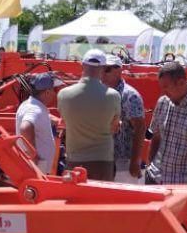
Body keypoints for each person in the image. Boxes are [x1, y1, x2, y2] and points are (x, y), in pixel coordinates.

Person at [57, 51, 123, 181]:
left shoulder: (63, 95)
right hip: (103, 161)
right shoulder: (113, 96)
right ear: (103, 69)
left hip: (74, 161)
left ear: (82, 66)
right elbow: (114, 127)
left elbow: (65, 121)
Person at [102, 58, 146, 179]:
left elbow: (140, 128)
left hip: (123, 163)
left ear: (119, 71)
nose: (102, 73)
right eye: (100, 69)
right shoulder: (101, 92)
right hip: (103, 160)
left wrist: (135, 162)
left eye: (106, 69)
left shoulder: (129, 95)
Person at [14, 73, 60, 176]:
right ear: (47, 92)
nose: (55, 94)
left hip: (33, 166)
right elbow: (25, 128)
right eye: (54, 90)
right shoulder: (35, 109)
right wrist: (33, 156)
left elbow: (39, 120)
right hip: (36, 168)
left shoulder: (30, 105)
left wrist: (56, 121)